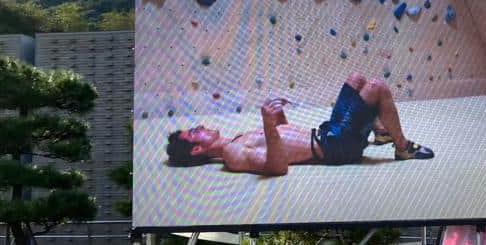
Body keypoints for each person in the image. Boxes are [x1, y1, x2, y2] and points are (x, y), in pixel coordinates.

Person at [166, 73, 434, 175]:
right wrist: (269, 128)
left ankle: (382, 132)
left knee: (356, 79)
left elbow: (285, 141)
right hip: (335, 147)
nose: (199, 126)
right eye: (194, 133)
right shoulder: (231, 154)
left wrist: (278, 118)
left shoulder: (236, 139)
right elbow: (277, 167)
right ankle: (402, 148)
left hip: (327, 133)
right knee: (377, 88)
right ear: (196, 150)